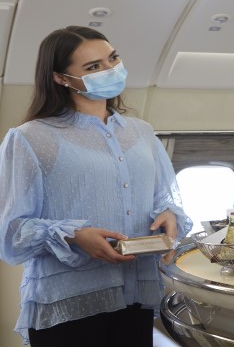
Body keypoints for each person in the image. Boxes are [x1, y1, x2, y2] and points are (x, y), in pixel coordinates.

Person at [0, 26, 192, 346]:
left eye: (112, 59)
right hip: (69, 303)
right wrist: (74, 236)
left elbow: (163, 196)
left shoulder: (142, 132)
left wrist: (169, 214)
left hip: (136, 295)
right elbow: (11, 233)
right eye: (93, 67)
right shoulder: (31, 138)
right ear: (61, 78)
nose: (110, 70)